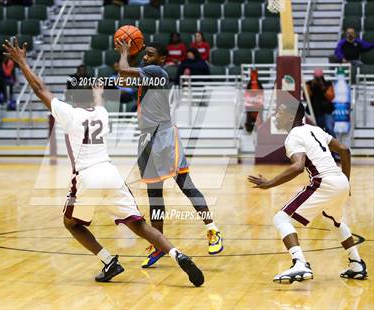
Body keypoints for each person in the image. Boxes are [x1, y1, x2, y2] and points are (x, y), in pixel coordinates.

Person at [2, 37, 204, 286]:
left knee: (71, 224)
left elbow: (39, 88)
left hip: (87, 176)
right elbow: (96, 95)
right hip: (112, 174)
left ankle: (109, 261)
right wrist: (99, 84)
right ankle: (177, 253)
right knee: (140, 226)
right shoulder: (102, 112)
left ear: (71, 97)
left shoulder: (68, 114)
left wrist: (22, 62)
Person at [115, 39, 224, 268]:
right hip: (147, 138)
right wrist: (132, 56)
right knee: (155, 195)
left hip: (163, 136)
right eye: (145, 54)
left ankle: (213, 231)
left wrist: (126, 52)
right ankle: (160, 245)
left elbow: (123, 70)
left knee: (186, 185)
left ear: (162, 59)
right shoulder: (147, 71)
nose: (146, 57)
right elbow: (123, 78)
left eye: (150, 54)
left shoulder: (157, 71)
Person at [248, 102, 367, 283]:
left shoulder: (293, 136)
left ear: (290, 117)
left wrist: (270, 183)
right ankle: (356, 264)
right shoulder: (315, 129)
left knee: (281, 218)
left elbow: (298, 166)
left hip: (323, 182)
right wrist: (346, 183)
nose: (275, 115)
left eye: (279, 112)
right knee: (334, 221)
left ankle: (300, 263)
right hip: (340, 181)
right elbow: (344, 150)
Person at [305, 69, 336, 138]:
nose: (318, 80)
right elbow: (306, 97)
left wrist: (323, 87)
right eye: (317, 78)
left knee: (329, 128)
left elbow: (331, 97)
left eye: (320, 78)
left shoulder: (327, 84)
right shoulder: (309, 84)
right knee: (314, 132)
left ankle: (335, 146)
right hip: (314, 112)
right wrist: (312, 87)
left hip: (326, 111)